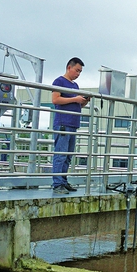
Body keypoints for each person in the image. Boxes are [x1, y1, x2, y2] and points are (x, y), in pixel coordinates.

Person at [51, 57, 89, 192]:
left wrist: (83, 101)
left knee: (68, 155)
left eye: (80, 72)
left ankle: (63, 180)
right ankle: (57, 184)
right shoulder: (59, 81)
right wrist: (75, 98)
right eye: (77, 70)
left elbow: (76, 103)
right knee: (60, 154)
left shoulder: (75, 86)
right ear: (69, 67)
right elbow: (55, 99)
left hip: (73, 123)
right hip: (63, 123)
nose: (78, 74)